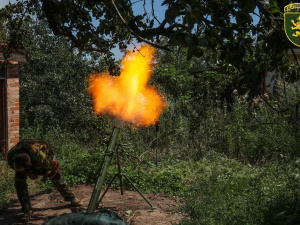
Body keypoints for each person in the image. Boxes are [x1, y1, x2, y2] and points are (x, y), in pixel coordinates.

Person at [7, 139, 83, 221]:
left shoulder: (43, 159)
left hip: (44, 153)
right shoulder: (12, 156)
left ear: (29, 166)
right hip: (26, 160)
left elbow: (55, 165)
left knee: (57, 177)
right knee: (19, 182)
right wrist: (29, 174)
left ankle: (71, 198)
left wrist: (52, 174)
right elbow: (17, 168)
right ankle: (27, 211)